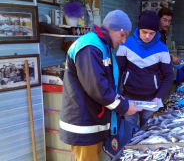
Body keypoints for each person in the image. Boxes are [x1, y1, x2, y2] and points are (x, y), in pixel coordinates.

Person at [59, 10, 142, 161]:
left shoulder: (102, 46)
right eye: (122, 35)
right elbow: (98, 88)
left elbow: (106, 82)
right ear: (112, 29)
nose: (123, 41)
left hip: (93, 121)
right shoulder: (90, 47)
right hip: (83, 124)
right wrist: (124, 107)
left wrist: (121, 98)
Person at [116, 11, 174, 128]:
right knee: (128, 131)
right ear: (139, 28)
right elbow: (117, 72)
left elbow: (169, 76)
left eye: (152, 33)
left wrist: (159, 97)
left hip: (151, 99)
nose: (147, 36)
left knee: (147, 131)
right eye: (144, 32)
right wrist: (118, 93)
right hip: (129, 98)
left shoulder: (162, 49)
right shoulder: (125, 44)